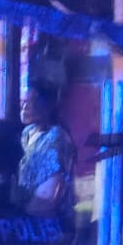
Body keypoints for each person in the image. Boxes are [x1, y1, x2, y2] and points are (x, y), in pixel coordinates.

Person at [18, 80, 76, 220]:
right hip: (25, 211)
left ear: (47, 105)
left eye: (30, 102)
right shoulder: (27, 133)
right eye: (22, 102)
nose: (24, 107)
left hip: (46, 215)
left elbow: (52, 188)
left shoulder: (56, 137)